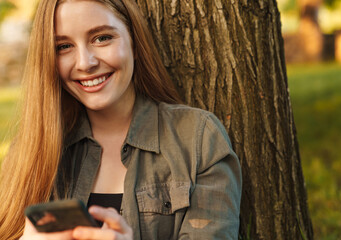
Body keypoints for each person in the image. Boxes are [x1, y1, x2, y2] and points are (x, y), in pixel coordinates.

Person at [0, 0, 242, 239]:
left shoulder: (197, 139)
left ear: (135, 43)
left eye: (102, 38)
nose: (85, 63)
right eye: (64, 46)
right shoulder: (28, 155)